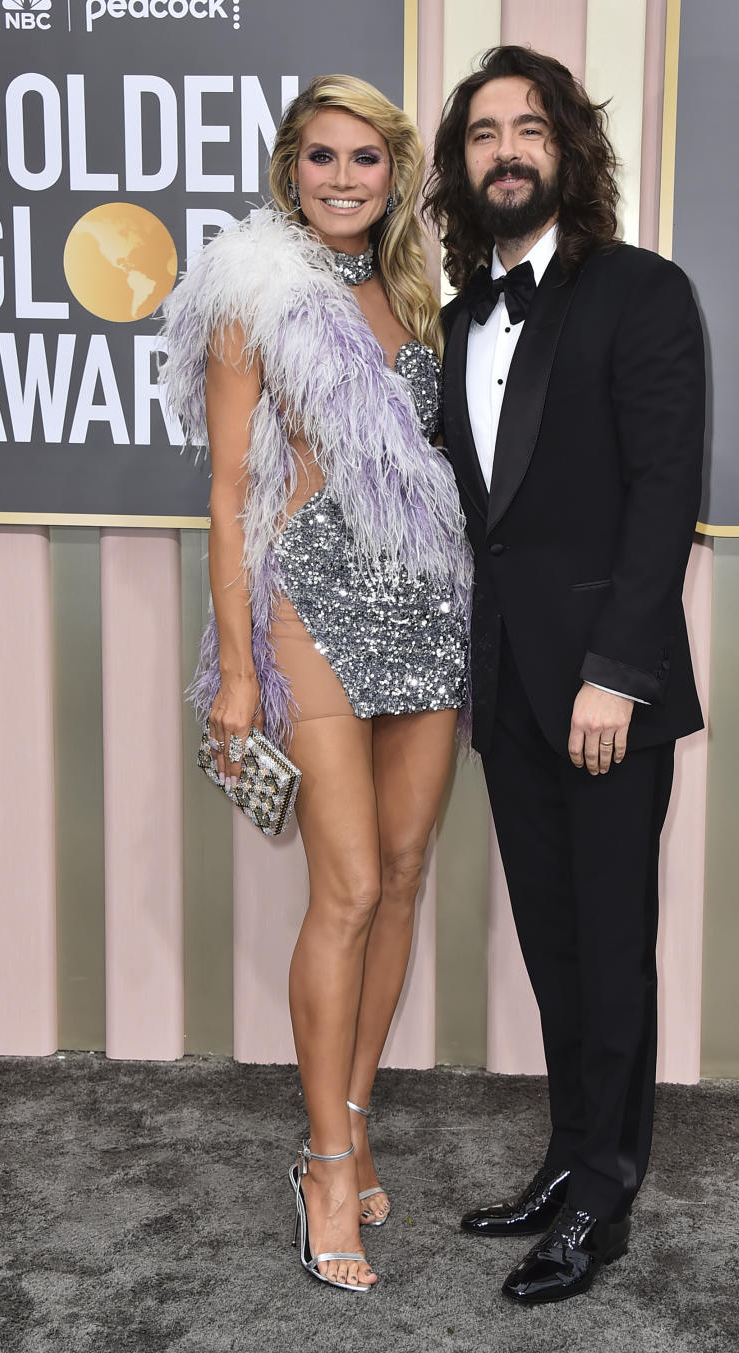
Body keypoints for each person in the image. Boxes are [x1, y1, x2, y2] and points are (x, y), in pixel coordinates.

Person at [161, 74, 470, 1294]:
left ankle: (353, 1106)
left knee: (400, 877)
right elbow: (231, 493)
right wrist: (237, 665)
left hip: (428, 613)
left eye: (367, 160)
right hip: (311, 613)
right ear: (292, 169)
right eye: (322, 159)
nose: (344, 179)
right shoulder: (258, 296)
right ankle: (326, 1163)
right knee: (342, 888)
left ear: (394, 174)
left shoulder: (414, 291)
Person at [424, 45, 706, 1305]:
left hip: (604, 690)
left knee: (613, 945)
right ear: (461, 166)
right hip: (507, 691)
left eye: (528, 128)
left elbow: (664, 502)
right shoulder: (458, 317)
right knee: (553, 948)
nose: (506, 151)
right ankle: (565, 1158)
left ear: (569, 150)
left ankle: (606, 1195)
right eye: (483, 133)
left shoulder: (641, 293)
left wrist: (617, 673)